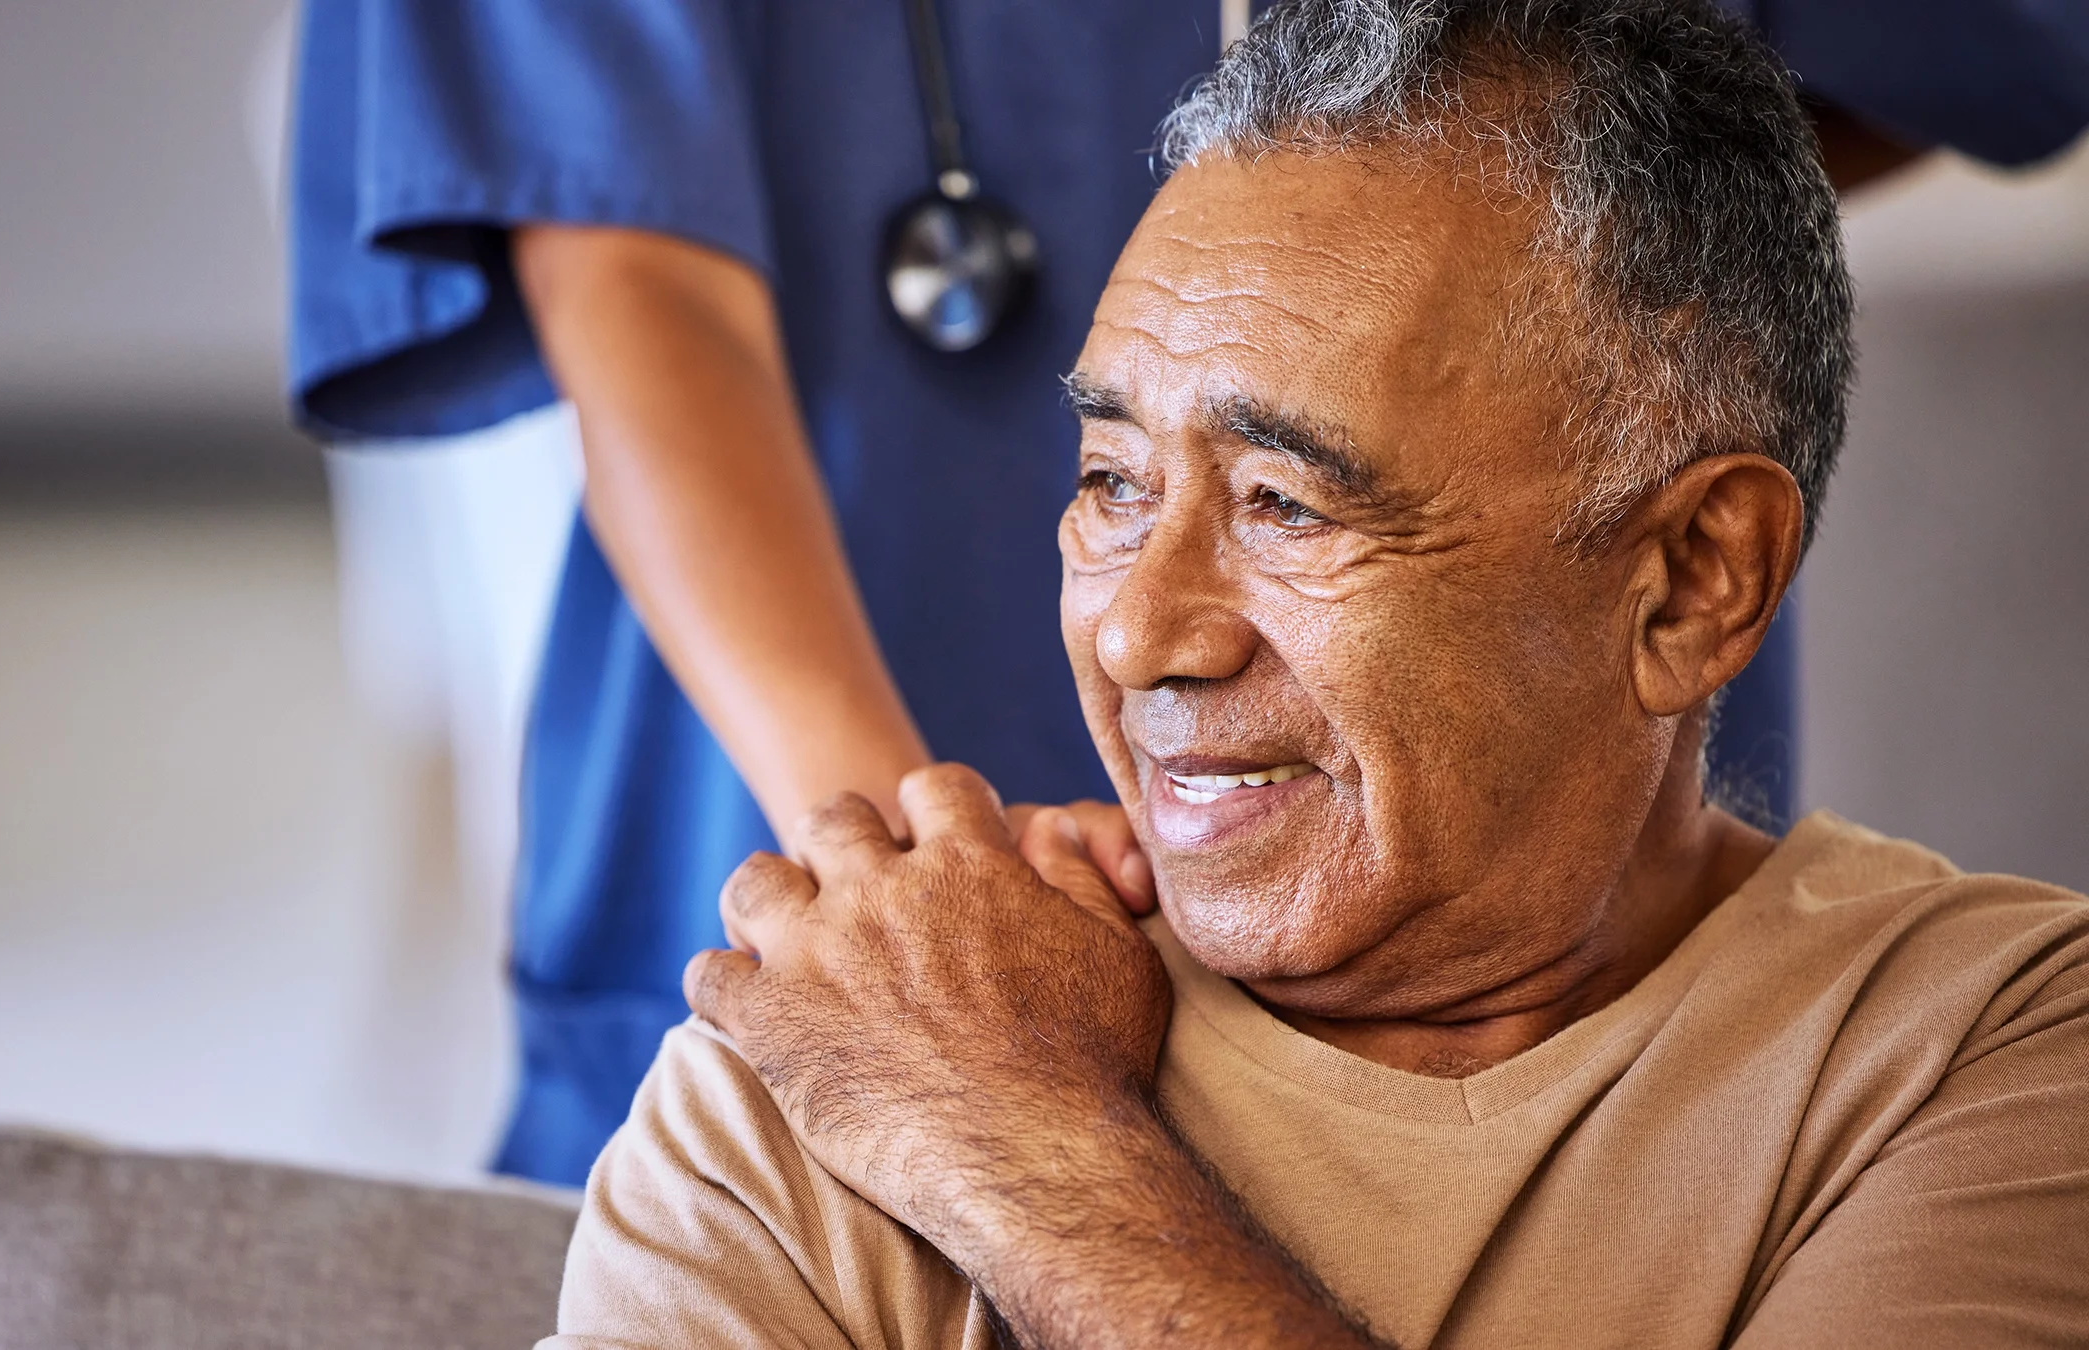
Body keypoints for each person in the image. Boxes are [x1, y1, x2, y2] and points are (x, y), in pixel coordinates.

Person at [287, 0, 2087, 1186]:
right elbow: (627, 273)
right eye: (1112, 482)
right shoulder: (751, 1131)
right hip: (822, 801)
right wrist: (913, 882)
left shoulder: (1974, 1068)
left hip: (1535, 973)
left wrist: (1520, 278)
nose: (1153, 626)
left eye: (1280, 505)